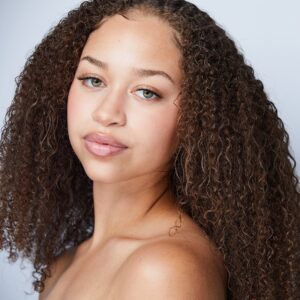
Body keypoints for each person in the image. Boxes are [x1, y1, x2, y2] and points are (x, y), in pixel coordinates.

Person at [0, 0, 299, 299]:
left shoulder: (164, 270)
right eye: (93, 80)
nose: (107, 113)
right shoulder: (62, 266)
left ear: (198, 118)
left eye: (147, 92)